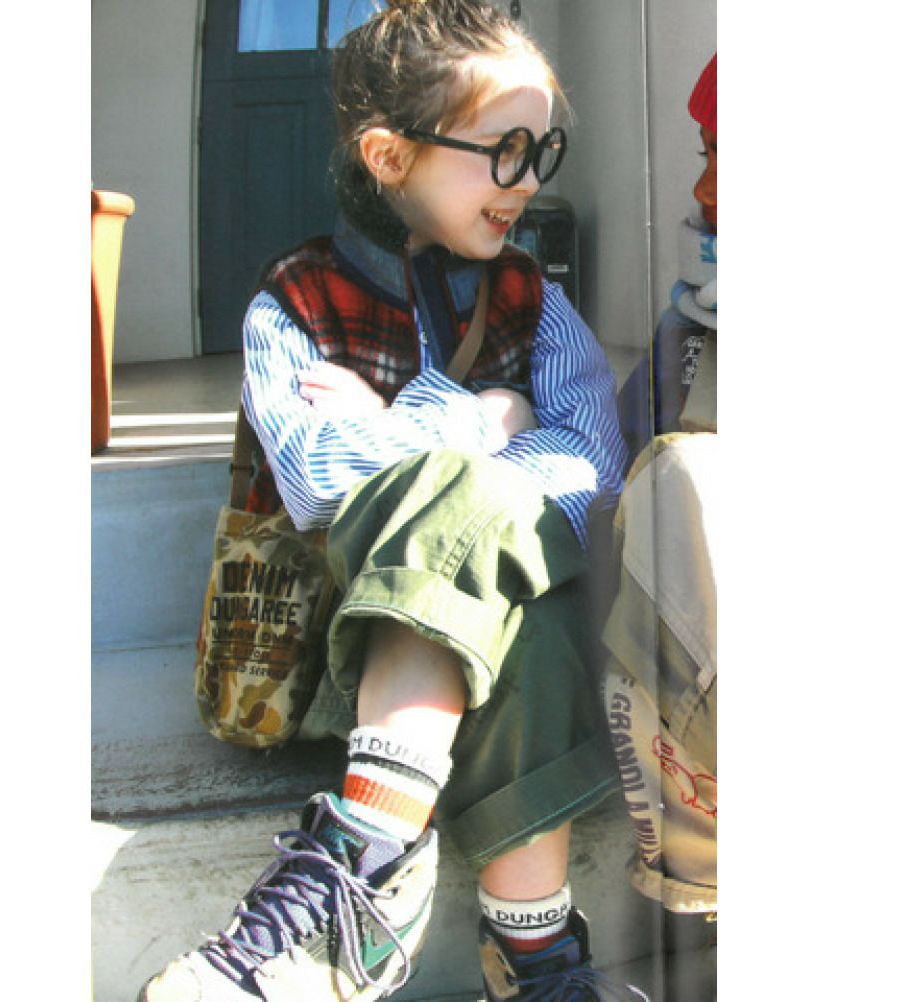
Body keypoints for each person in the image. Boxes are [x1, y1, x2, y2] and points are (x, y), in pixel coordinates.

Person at [140, 3, 641, 1000]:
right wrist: (480, 421)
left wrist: (396, 428)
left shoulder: (537, 302)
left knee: (500, 546)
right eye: (504, 152)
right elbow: (316, 482)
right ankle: (539, 957)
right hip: (347, 651)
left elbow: (595, 473)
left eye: (543, 151)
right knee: (481, 525)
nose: (530, 182)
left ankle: (367, 856)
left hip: (481, 643)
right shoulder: (291, 303)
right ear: (388, 155)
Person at [600, 52, 718, 998]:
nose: (705, 190)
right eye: (707, 153)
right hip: (704, 747)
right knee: (675, 480)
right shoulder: (684, 346)